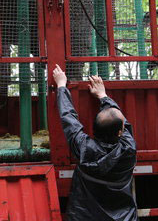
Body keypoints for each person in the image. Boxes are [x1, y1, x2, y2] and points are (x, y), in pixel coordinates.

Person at [52, 65, 137, 221]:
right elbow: (121, 121)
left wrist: (62, 86)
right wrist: (103, 96)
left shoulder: (84, 148)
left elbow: (69, 119)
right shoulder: (128, 147)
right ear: (120, 132)